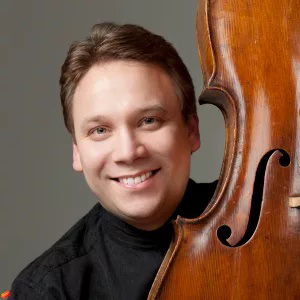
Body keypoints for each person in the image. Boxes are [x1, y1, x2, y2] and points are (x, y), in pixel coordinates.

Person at [9, 22, 217, 299]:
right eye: (100, 130)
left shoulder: (273, 222)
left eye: (149, 121)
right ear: (76, 151)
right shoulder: (49, 290)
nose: (128, 152)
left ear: (191, 131)